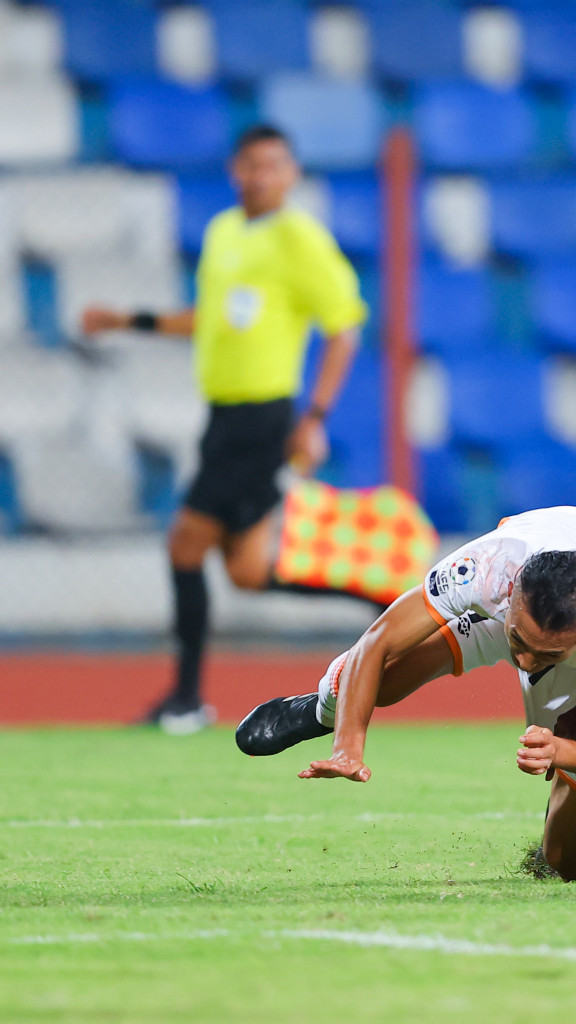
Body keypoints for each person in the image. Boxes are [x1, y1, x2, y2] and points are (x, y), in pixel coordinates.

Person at [80, 124, 369, 734]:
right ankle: (373, 591)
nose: (260, 175)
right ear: (235, 170)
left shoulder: (300, 238)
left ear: (290, 173)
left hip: (262, 417)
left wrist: (314, 417)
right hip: (223, 418)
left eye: (273, 165)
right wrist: (127, 320)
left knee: (184, 544)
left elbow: (344, 326)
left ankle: (186, 700)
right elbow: (210, 320)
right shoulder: (224, 232)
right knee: (244, 570)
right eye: (249, 164)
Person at [235, 506, 576, 883]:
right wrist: (347, 743)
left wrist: (561, 751)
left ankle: (563, 817)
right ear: (512, 591)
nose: (526, 664)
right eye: (519, 642)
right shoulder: (492, 567)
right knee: (375, 673)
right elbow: (379, 640)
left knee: (568, 866)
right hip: (522, 602)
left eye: (545, 653)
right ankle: (320, 708)